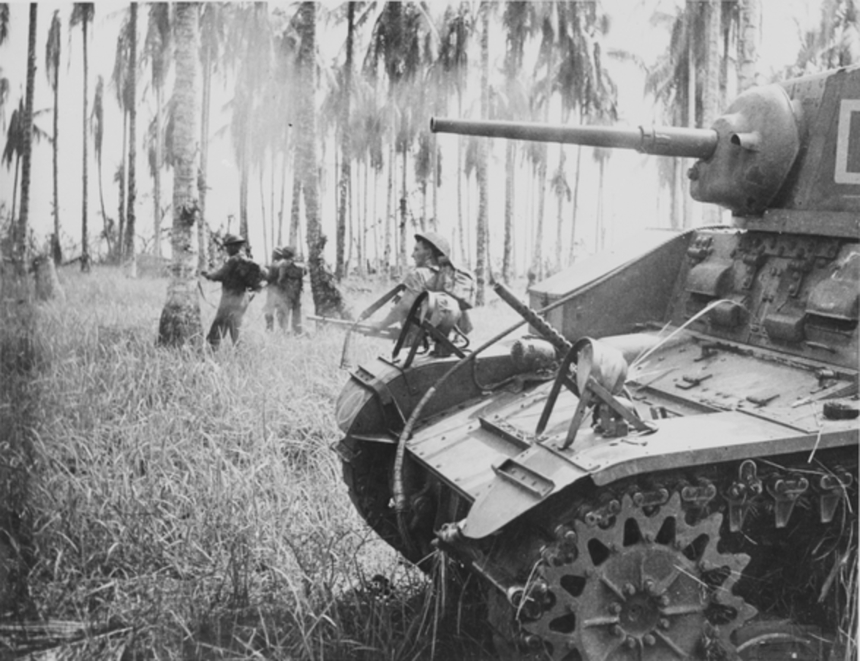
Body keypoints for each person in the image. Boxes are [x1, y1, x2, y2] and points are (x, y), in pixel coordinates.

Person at [371, 231, 475, 339]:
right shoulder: (448, 275)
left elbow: (405, 306)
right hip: (454, 338)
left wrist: (381, 325)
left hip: (426, 336)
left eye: (416, 250)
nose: (412, 255)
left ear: (429, 253)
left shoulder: (418, 274)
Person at [202, 233, 266, 348]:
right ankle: (239, 351)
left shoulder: (233, 260)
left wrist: (207, 275)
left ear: (233, 247)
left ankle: (212, 349)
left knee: (219, 324)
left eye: (228, 247)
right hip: (243, 298)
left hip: (230, 299)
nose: (226, 249)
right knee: (236, 326)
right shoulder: (247, 260)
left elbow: (219, 275)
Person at [264, 246, 306, 334]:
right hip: (294, 293)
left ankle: (272, 329)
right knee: (296, 314)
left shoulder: (277, 265)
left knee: (274, 313)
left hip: (279, 292)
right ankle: (297, 332)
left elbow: (272, 279)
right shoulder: (297, 265)